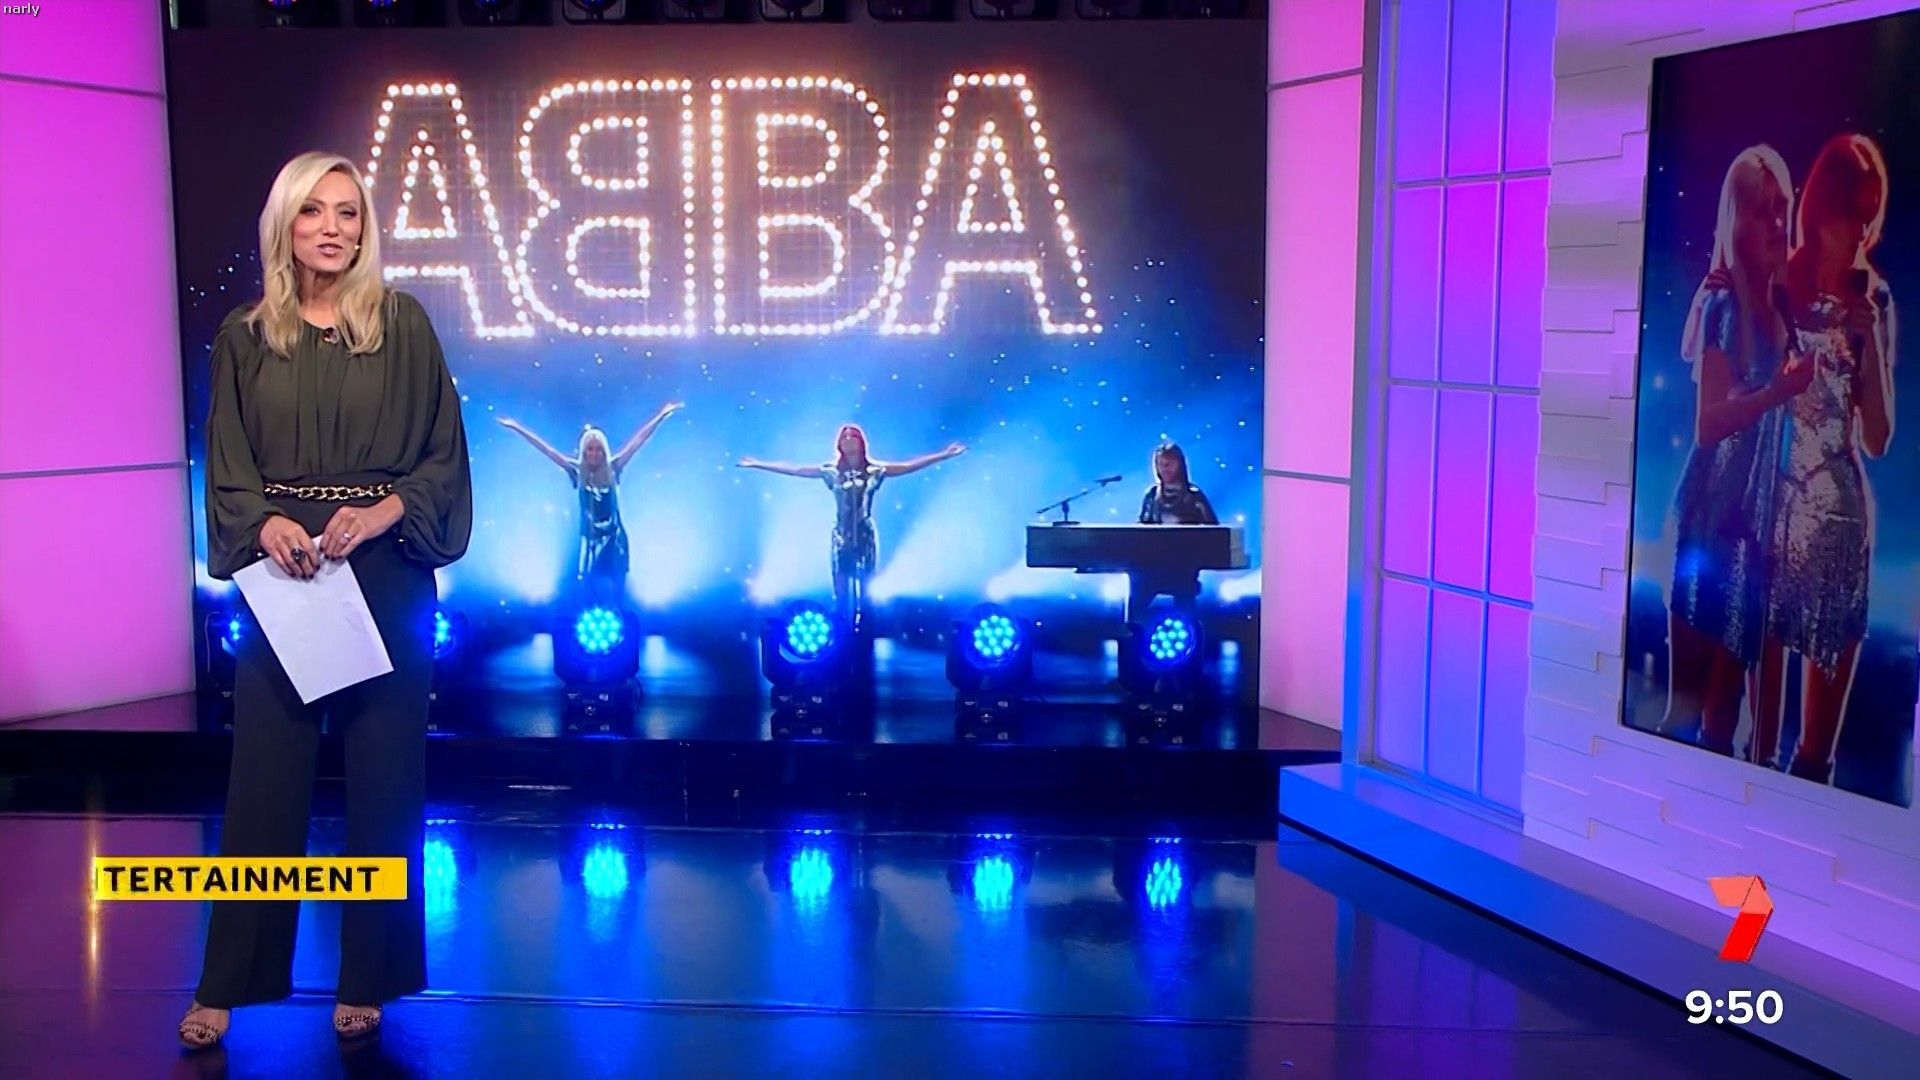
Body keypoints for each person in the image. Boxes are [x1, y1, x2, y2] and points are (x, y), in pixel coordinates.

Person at [180, 151, 472, 1049]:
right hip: (285, 577)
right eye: (314, 211)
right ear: (286, 225)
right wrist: (263, 523)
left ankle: (370, 977)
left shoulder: (403, 324)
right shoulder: (244, 336)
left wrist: (384, 511)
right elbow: (228, 464)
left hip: (384, 569)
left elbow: (443, 457)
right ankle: (227, 982)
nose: (333, 228)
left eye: (348, 212)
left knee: (386, 784)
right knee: (263, 787)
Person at [1752, 133, 1895, 782]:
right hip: (1774, 511)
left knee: (1814, 758)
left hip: (1839, 520)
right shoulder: (1782, 282)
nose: (1861, 232)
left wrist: (1871, 349)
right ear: (1821, 211)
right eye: (1850, 214)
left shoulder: (1874, 300)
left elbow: (1878, 439)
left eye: (1870, 216)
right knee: (1757, 741)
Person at [1657, 145, 1808, 758]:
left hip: (1750, 534)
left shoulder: (1779, 314)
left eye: (1782, 208)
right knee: (1686, 715)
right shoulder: (1724, 307)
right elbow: (1707, 426)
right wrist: (1776, 393)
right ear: (1734, 221)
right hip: (1706, 527)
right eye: (1761, 210)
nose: (1776, 223)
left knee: (1721, 726)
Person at [738, 424, 964, 628]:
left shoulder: (875, 470)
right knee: (841, 579)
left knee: (865, 581)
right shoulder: (831, 471)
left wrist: (943, 455)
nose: (848, 440)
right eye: (844, 437)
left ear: (860, 441)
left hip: (864, 532)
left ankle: (864, 623)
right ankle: (841, 623)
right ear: (839, 444)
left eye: (852, 436)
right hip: (841, 534)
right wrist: (759, 464)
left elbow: (907, 467)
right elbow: (796, 470)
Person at [496, 402, 682, 600]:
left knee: (616, 584)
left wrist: (661, 416)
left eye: (599, 449)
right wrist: (517, 428)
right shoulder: (577, 472)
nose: (595, 453)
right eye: (590, 449)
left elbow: (638, 441)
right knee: (589, 586)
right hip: (590, 538)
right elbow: (546, 450)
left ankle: (619, 611)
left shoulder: (614, 468)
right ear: (584, 451)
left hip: (614, 537)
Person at [1131, 442, 1220, 622]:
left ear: (1180, 464)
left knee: (1186, 608)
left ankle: (1190, 631)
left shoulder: (1194, 496)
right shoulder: (1151, 495)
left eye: (1169, 463)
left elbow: (1213, 531)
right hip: (1152, 565)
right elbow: (1141, 528)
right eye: (1160, 464)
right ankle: (1133, 628)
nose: (1165, 468)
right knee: (1136, 587)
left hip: (1183, 566)